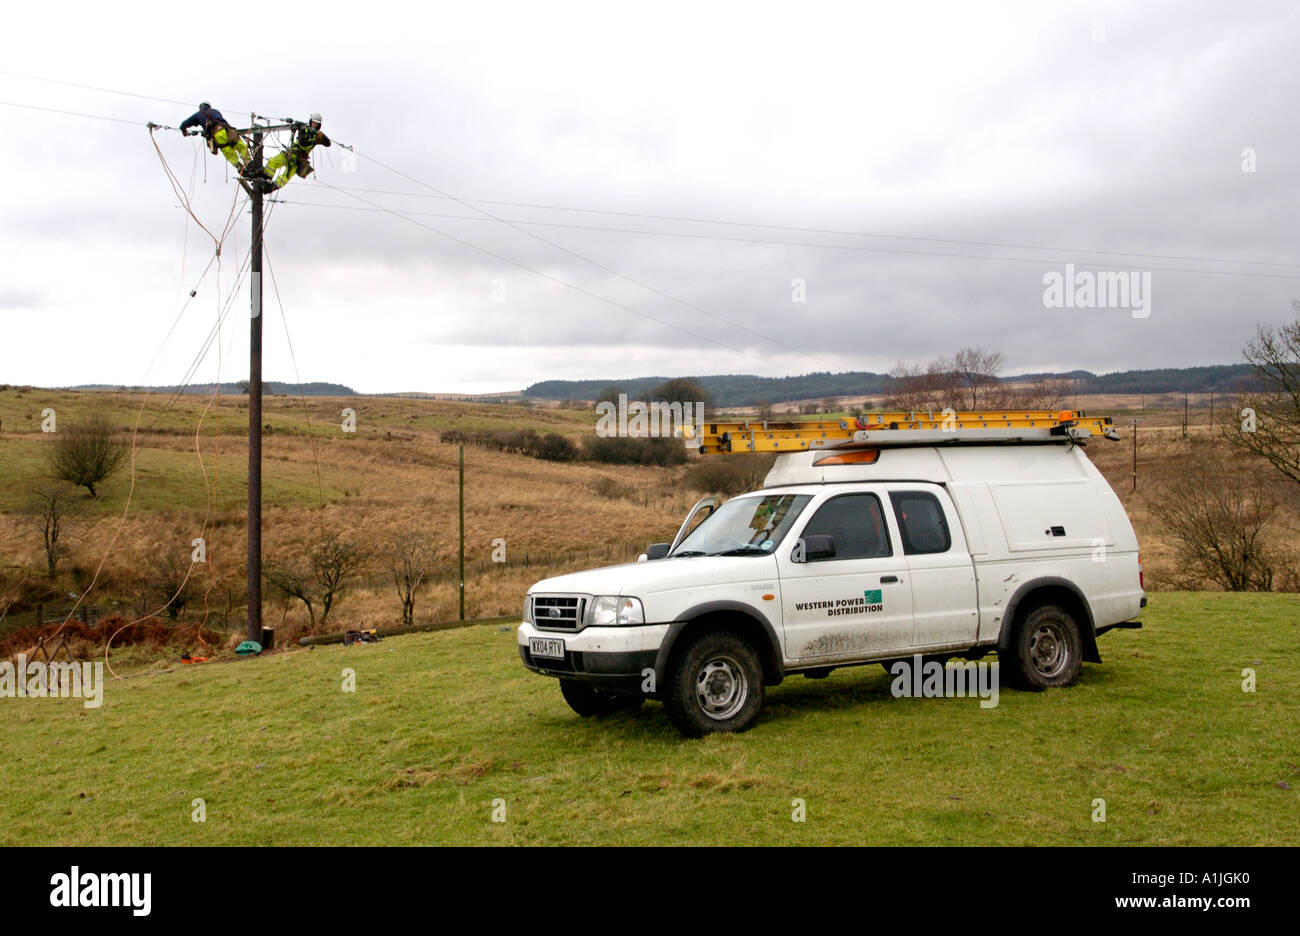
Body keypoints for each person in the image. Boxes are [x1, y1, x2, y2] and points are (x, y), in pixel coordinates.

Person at [262, 113, 330, 190]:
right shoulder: (304, 129)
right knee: (272, 162)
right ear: (310, 121)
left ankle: (270, 188)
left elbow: (328, 143)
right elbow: (302, 142)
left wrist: (319, 135)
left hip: (298, 160)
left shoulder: (317, 135)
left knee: (285, 177)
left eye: (317, 124)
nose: (314, 125)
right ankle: (264, 179)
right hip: (290, 153)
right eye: (313, 123)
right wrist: (305, 130)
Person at [178, 102, 249, 171]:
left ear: (201, 107)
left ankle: (239, 167)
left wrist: (184, 131)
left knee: (228, 152)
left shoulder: (198, 115)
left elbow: (183, 124)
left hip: (218, 134)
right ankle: (249, 163)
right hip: (229, 130)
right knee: (240, 146)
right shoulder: (215, 111)